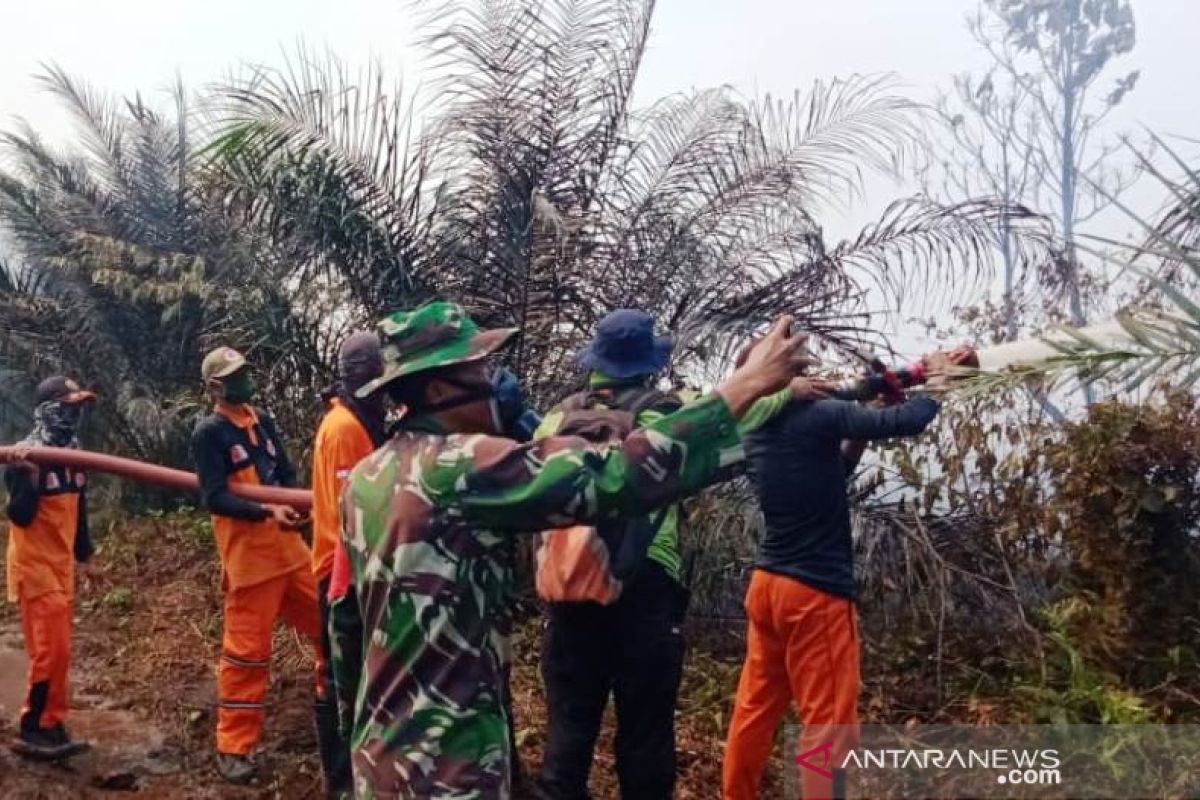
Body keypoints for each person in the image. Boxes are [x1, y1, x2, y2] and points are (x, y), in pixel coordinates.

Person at [332, 300, 811, 799]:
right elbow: (616, 474)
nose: (494, 381)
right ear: (436, 388)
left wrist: (349, 764)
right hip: (447, 768)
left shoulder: (367, 477)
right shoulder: (459, 467)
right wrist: (748, 384)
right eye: (479, 369)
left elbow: (346, 625)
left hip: (382, 759)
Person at [535, 310, 801, 800]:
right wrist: (790, 389)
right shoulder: (669, 413)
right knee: (645, 735)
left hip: (570, 589)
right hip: (645, 590)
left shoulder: (555, 416)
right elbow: (744, 411)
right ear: (648, 363)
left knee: (567, 734)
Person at [721, 352, 952, 800]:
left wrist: (861, 420)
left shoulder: (754, 429)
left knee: (755, 708)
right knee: (828, 725)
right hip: (813, 594)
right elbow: (908, 421)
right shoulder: (819, 415)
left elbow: (832, 475)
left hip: (769, 587)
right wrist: (939, 383)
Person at [190, 346, 323, 785]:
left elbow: (284, 473)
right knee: (247, 658)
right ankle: (234, 748)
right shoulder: (209, 433)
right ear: (215, 386)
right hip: (251, 564)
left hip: (291, 554)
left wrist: (294, 505)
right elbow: (216, 497)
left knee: (331, 625)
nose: (244, 380)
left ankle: (334, 702)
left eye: (245, 372)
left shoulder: (262, 421)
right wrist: (268, 512)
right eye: (234, 375)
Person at [310, 332, 387, 798]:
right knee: (337, 678)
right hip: (338, 572)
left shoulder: (364, 421)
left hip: (359, 569)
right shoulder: (343, 429)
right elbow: (352, 508)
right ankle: (340, 781)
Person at [5, 376, 97, 761]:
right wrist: (27, 478)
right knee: (49, 650)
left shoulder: (74, 455)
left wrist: (85, 554)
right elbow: (19, 515)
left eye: (79, 407)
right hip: (34, 566)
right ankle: (32, 726)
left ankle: (52, 721)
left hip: (60, 565)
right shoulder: (27, 454)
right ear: (49, 409)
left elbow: (80, 510)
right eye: (68, 406)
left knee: (60, 651)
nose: (74, 414)